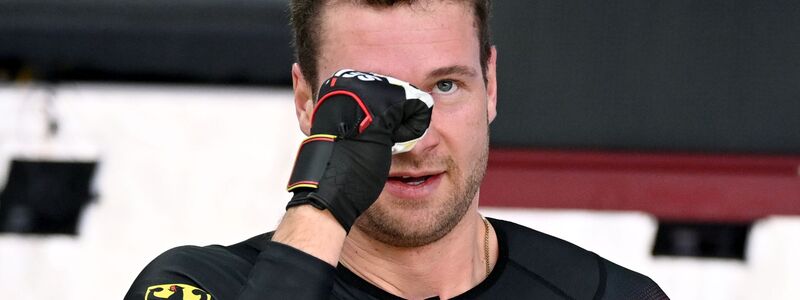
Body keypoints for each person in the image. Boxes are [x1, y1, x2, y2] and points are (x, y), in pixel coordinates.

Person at [126, 0, 669, 299]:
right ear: (305, 101)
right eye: (366, 95)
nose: (414, 138)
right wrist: (323, 201)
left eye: (445, 87)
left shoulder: (609, 297)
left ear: (492, 86)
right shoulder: (198, 286)